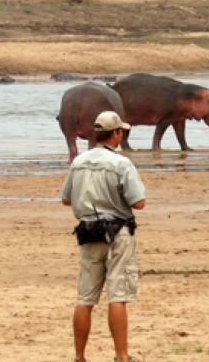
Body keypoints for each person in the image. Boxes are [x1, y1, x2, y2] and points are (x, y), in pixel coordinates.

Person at [60, 111, 147, 362]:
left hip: (88, 232)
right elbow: (139, 202)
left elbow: (66, 199)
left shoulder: (78, 162)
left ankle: (79, 356)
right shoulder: (122, 164)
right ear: (116, 133)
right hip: (117, 232)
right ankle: (121, 356)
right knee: (118, 296)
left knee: (85, 298)